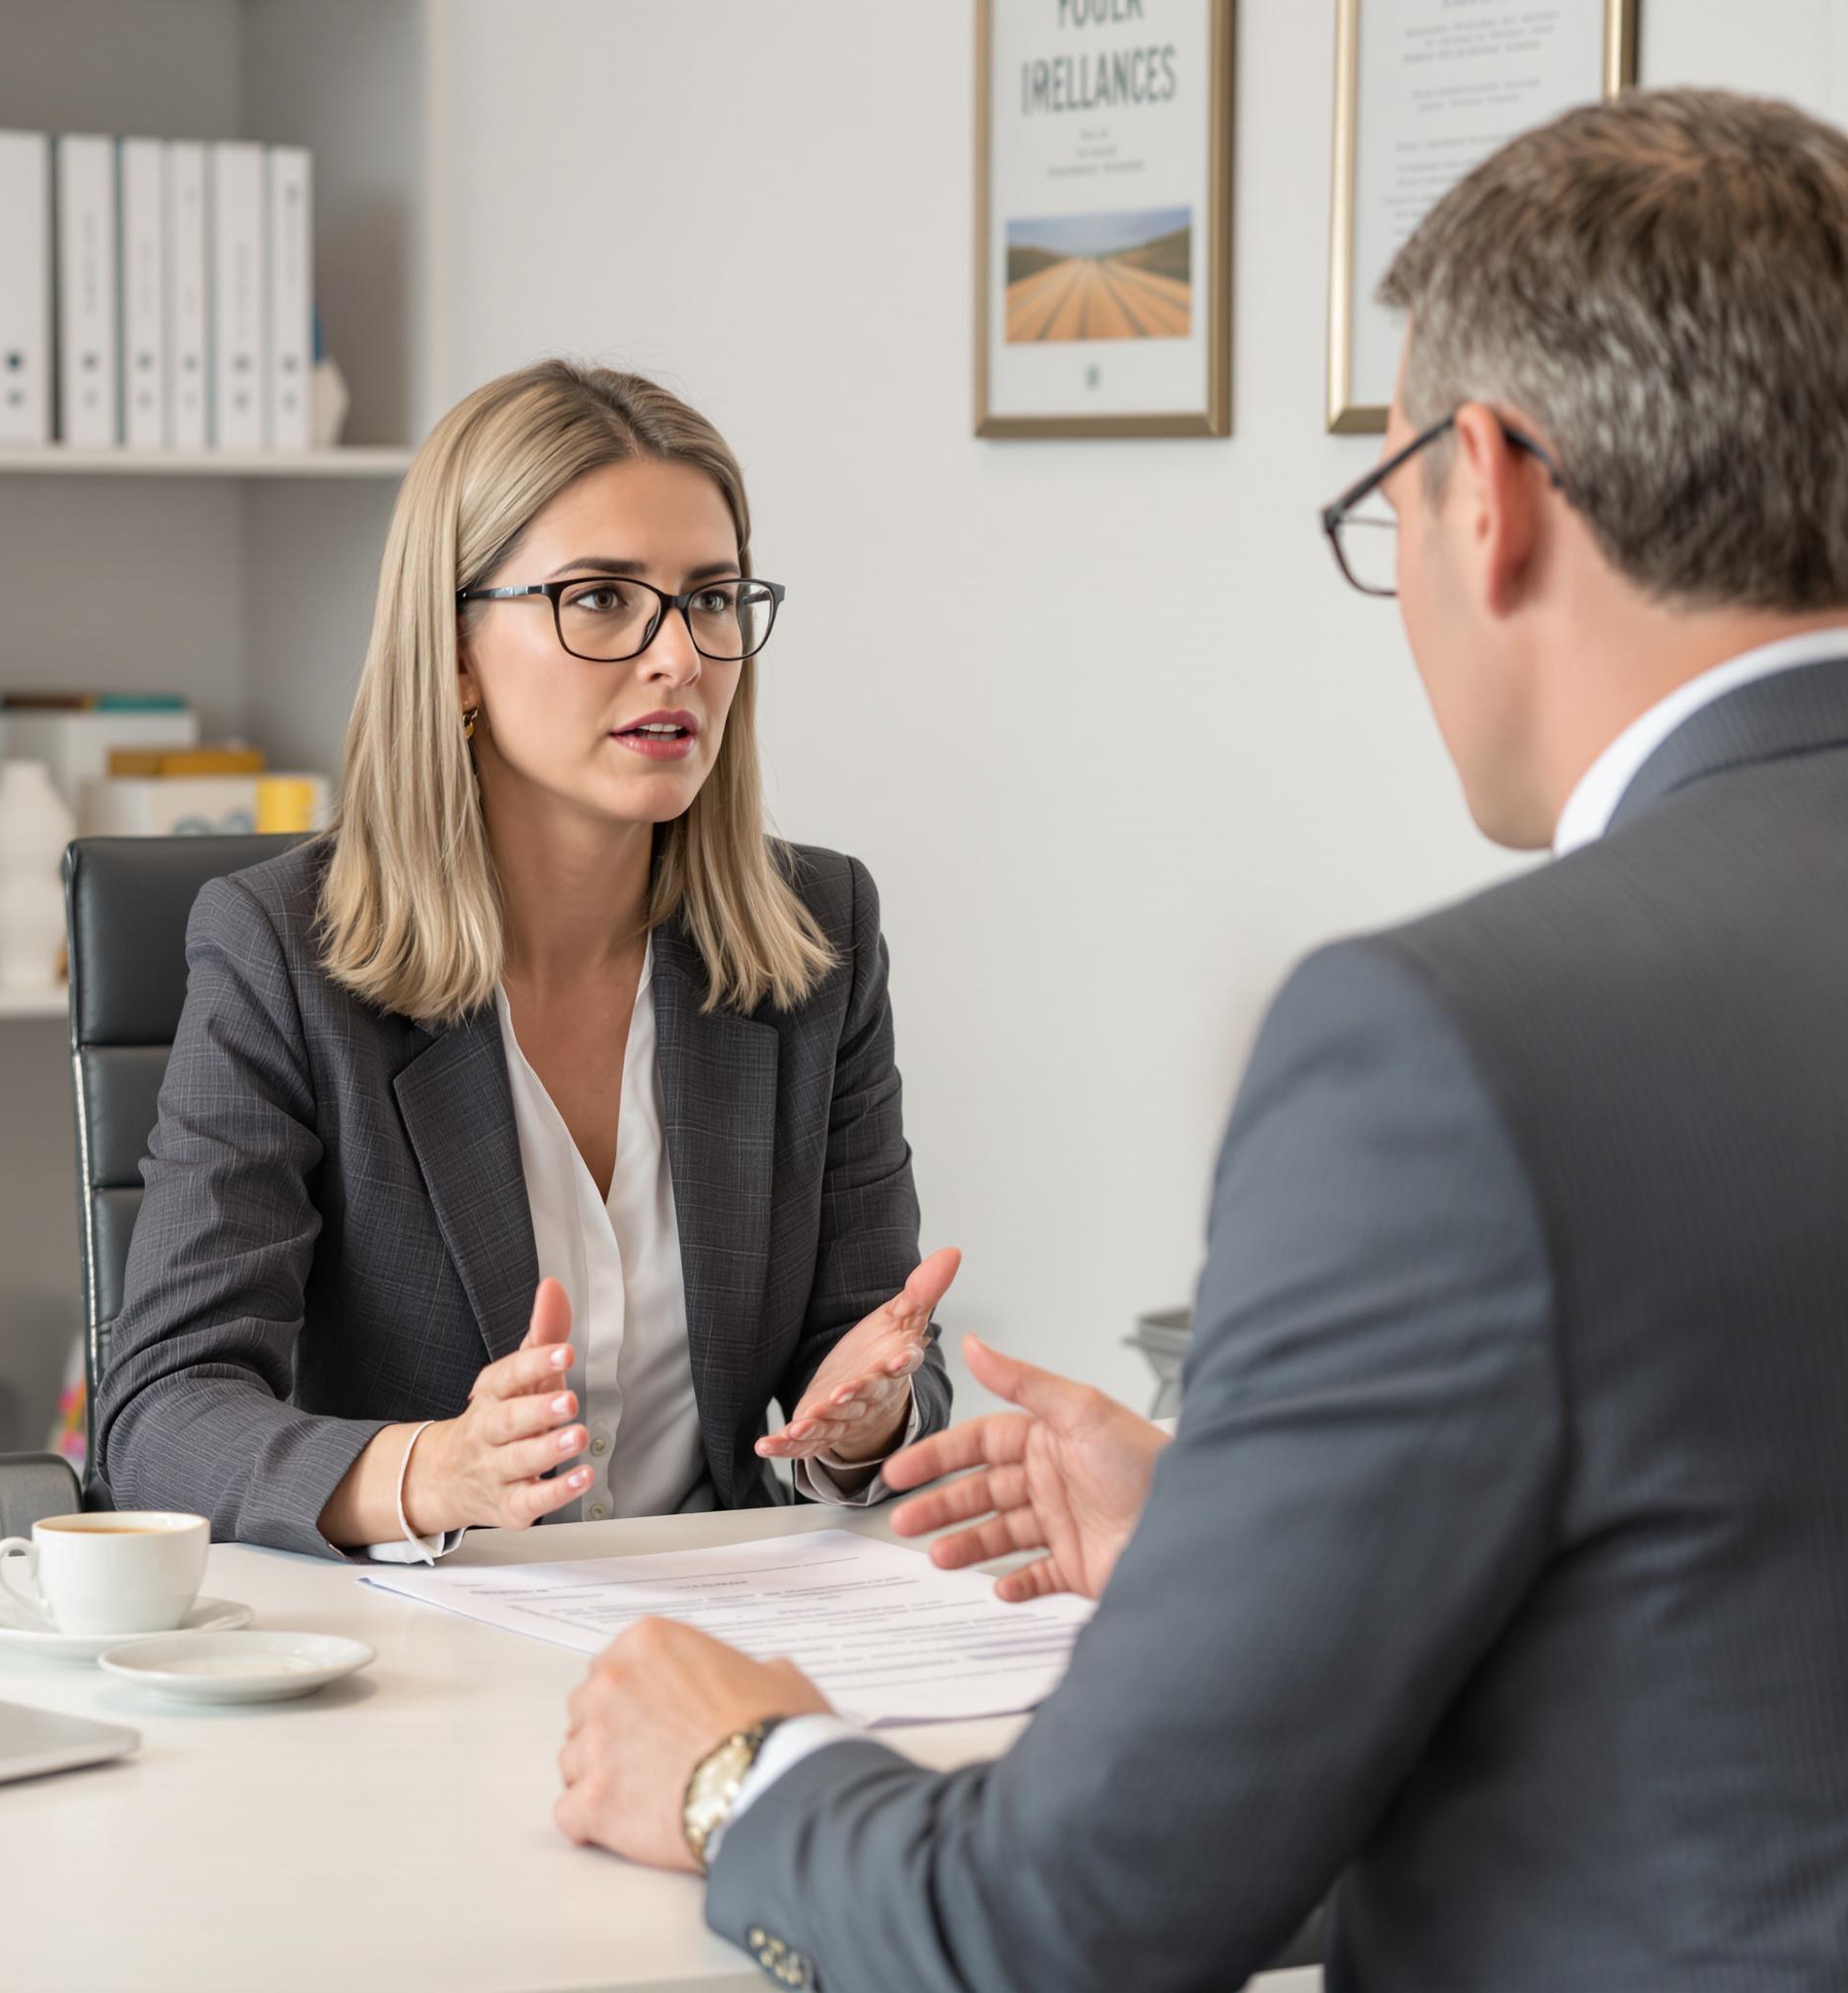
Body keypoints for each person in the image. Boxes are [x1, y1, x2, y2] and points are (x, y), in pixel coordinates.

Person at [551, 90, 1848, 1990]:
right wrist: (1233, 1552)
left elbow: (1069, 1923)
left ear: (1481, 489)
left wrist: (741, 1766)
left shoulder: (1445, 1047)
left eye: (1384, 503)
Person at [95, 361, 955, 1560]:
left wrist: (866, 1418)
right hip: (419, 1643)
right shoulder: (283, 952)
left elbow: (854, 1350)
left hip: (719, 1623)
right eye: (600, 598)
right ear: (452, 653)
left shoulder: (818, 933)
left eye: (710, 599)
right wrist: (428, 1470)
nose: (678, 658)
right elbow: (160, 1411)